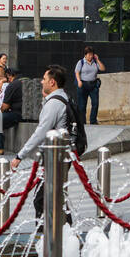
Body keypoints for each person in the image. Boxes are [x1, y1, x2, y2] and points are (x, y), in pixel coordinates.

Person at [10, 65, 87, 219]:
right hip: (62, 154)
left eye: (44, 79)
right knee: (54, 197)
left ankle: (48, 236)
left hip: (56, 156)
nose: (41, 82)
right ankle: (64, 233)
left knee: (42, 199)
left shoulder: (54, 103)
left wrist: (20, 156)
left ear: (52, 82)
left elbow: (40, 133)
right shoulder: (63, 97)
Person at [73, 46, 106, 125]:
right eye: (89, 54)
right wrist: (79, 81)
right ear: (85, 55)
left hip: (93, 85)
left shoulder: (95, 62)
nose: (90, 56)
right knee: (82, 105)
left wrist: (97, 59)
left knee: (95, 103)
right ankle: (82, 122)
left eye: (92, 54)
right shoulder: (81, 62)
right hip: (83, 85)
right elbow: (77, 72)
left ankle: (93, 121)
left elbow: (103, 69)